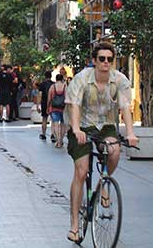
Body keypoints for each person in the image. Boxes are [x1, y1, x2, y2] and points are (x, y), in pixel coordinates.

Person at [65, 42, 138, 244]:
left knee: (114, 150)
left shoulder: (120, 80)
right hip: (81, 124)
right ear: (94, 61)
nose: (106, 63)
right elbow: (74, 106)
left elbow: (125, 108)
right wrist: (77, 129)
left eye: (109, 59)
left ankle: (103, 181)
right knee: (81, 170)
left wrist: (130, 133)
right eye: (102, 59)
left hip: (105, 124)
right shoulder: (82, 79)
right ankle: (73, 225)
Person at [48, 73, 68, 149]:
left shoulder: (52, 87)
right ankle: (61, 140)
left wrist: (48, 107)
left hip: (54, 108)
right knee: (63, 125)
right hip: (63, 108)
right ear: (62, 79)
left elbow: (49, 98)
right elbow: (67, 98)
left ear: (56, 79)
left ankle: (58, 141)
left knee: (56, 124)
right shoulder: (65, 87)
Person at [37, 75, 53, 141]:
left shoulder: (42, 84)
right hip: (52, 103)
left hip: (44, 103)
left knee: (44, 119)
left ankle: (43, 134)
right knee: (53, 120)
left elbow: (40, 95)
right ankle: (53, 135)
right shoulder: (53, 84)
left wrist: (38, 105)